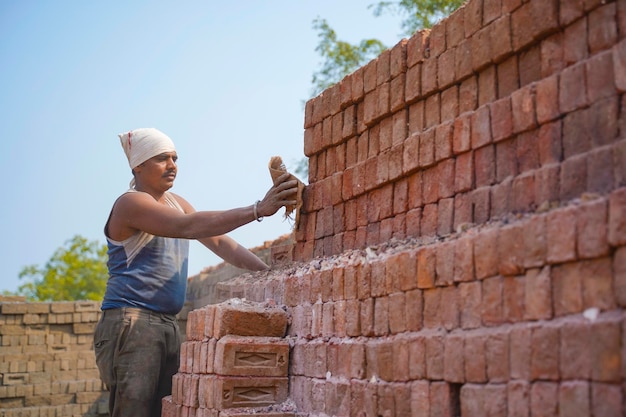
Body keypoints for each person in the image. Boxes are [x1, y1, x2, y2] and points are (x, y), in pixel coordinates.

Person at [93, 127, 298, 417]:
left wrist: (268, 273)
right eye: (162, 158)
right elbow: (187, 227)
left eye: (175, 158)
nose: (172, 165)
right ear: (138, 165)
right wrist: (258, 209)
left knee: (165, 409)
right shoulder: (131, 202)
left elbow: (221, 243)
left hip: (165, 323)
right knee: (134, 411)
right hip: (131, 322)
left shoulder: (178, 204)